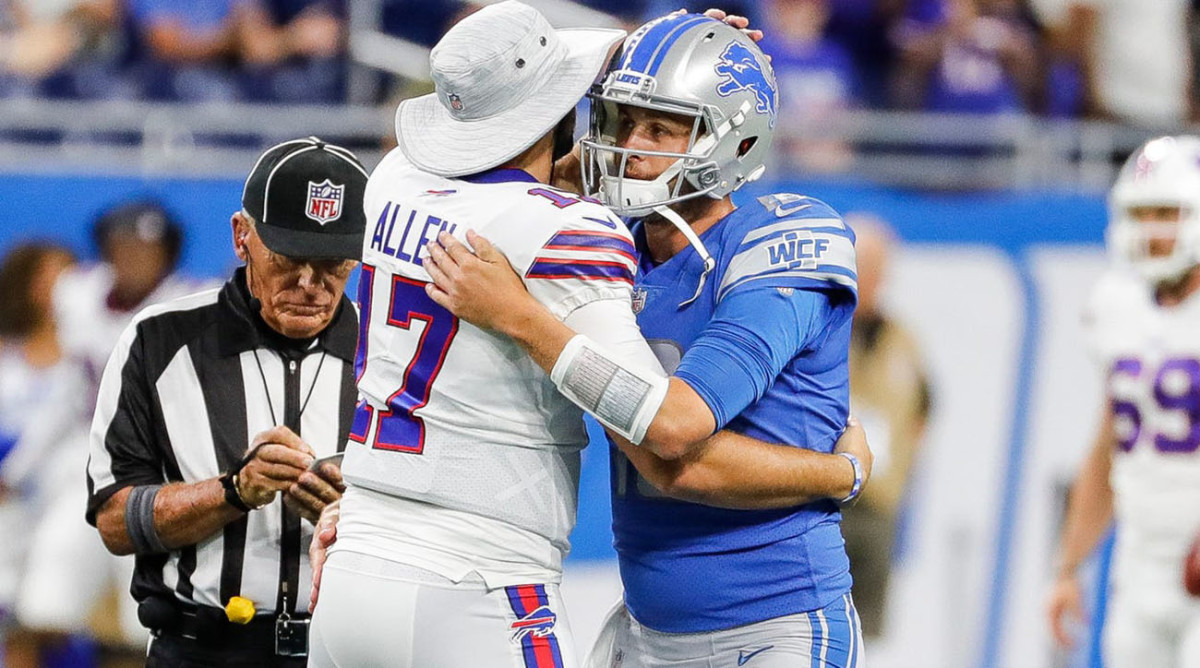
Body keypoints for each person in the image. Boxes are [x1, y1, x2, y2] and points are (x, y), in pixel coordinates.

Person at [307, 4, 870, 667]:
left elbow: (675, 445)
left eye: (659, 127)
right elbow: (540, 165)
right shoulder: (603, 235)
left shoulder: (778, 242)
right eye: (621, 120)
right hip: (643, 627)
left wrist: (844, 474)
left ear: (736, 140)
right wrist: (674, 54)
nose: (627, 144)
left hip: (775, 623)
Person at [85, 136, 365, 667]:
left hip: (347, 647)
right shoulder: (159, 339)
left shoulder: (395, 352)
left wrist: (357, 517)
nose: (310, 284)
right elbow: (114, 521)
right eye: (289, 257)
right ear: (242, 236)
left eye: (334, 263)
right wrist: (233, 491)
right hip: (202, 649)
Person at [9, 200, 207, 661]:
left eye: (148, 248)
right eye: (125, 245)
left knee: (151, 624)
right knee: (42, 607)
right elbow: (68, 396)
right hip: (90, 465)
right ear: (106, 249)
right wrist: (19, 469)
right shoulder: (79, 294)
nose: (135, 257)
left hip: (163, 470)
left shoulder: (192, 302)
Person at [1047, 135, 1200, 666]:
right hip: (1141, 563)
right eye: (1142, 213)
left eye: (1167, 212)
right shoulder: (1117, 306)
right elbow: (1109, 444)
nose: (1152, 230)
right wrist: (1069, 567)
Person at [840, 213, 931, 640]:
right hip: (822, 502)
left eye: (878, 271)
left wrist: (899, 475)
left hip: (878, 506)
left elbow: (924, 409)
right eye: (864, 269)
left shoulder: (901, 339)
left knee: (865, 636)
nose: (873, 281)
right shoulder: (816, 330)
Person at [0, 241, 79, 667]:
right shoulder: (5, 355)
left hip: (58, 508)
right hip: (6, 510)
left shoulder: (90, 358)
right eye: (53, 276)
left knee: (48, 615)